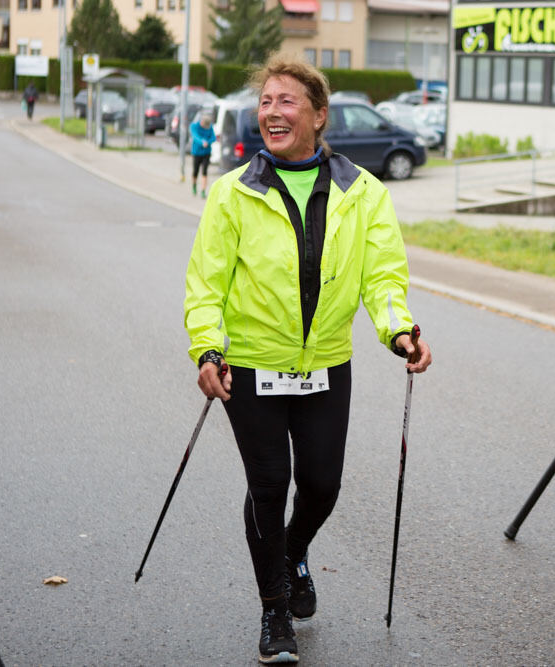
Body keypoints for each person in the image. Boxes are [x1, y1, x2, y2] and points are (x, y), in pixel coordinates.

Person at [183, 53, 431, 664]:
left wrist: (400, 330)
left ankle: (293, 553)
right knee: (269, 485)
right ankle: (274, 611)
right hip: (253, 367)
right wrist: (207, 348)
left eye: (287, 101)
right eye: (265, 101)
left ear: (319, 116)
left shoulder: (363, 192)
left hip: (325, 364)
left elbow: (383, 278)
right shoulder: (233, 193)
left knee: (321, 485)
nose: (272, 111)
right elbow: (206, 285)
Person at [189, 111, 215, 198]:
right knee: (195, 171)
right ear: (201, 122)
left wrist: (208, 142)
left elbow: (213, 137)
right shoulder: (194, 126)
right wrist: (202, 142)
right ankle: (194, 186)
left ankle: (203, 190)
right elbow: (195, 136)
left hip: (206, 153)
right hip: (196, 153)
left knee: (204, 172)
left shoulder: (209, 127)